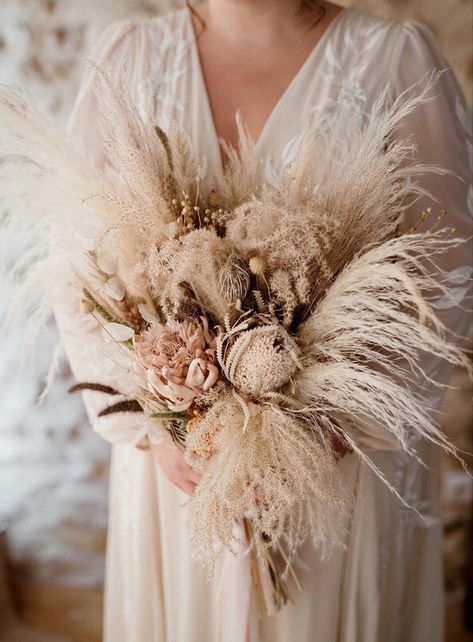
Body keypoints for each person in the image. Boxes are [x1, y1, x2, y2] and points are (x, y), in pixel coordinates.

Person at [55, 1, 472, 640]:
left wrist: (330, 423)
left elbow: (446, 267)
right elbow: (77, 260)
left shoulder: (397, 59)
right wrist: (160, 426)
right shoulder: (128, 58)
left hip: (340, 473)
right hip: (178, 477)